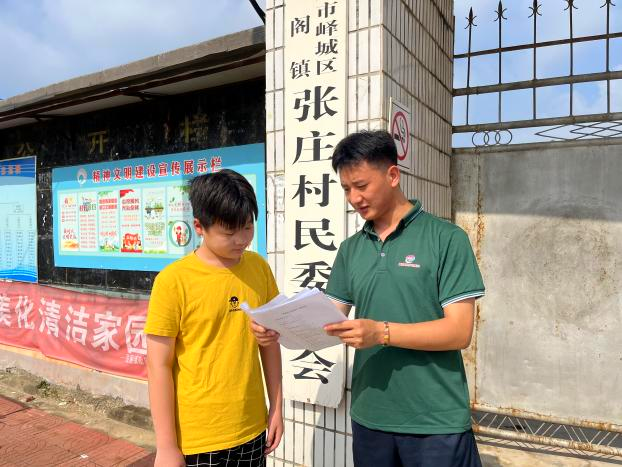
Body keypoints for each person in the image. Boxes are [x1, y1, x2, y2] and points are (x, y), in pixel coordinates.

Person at [253, 131, 485, 467]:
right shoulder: (351, 249)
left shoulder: (446, 239)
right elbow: (326, 321)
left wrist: (381, 333)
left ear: (392, 175)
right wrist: (279, 330)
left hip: (436, 420)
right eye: (346, 188)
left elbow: (459, 332)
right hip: (370, 417)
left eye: (361, 185)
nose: (354, 198)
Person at [146, 169, 283, 467]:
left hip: (251, 428)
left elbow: (270, 344)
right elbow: (158, 365)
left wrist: (276, 407)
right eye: (229, 232)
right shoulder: (173, 281)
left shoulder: (259, 268)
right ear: (199, 226)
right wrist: (166, 445)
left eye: (247, 227)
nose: (242, 239)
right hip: (200, 438)